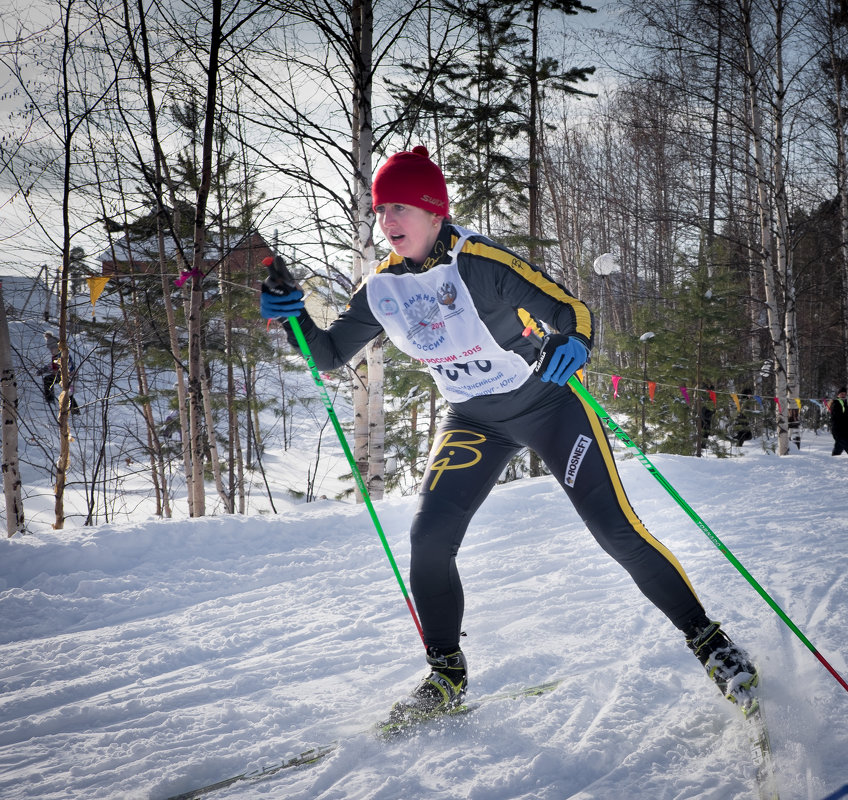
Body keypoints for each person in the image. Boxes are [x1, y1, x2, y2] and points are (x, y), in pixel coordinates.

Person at [260, 145, 757, 722]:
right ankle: (446, 675)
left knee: (615, 530)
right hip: (474, 420)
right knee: (429, 538)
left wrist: (576, 343)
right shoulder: (382, 288)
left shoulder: (483, 263)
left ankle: (712, 645)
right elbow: (325, 354)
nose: (387, 222)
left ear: (434, 212)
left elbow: (570, 308)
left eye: (400, 208)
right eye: (380, 211)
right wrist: (291, 312)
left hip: (549, 406)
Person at [831, 386, 848, 456]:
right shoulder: (836, 403)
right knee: (845, 443)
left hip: (845, 430)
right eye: (842, 393)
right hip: (838, 430)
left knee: (839, 447)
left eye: (844, 394)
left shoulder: (845, 403)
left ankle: (834, 458)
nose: (843, 395)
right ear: (838, 395)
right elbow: (838, 416)